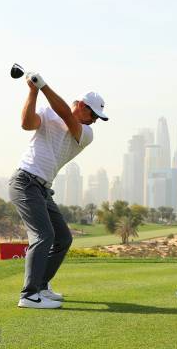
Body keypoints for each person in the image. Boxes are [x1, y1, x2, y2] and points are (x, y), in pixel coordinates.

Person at [9, 71, 108, 309]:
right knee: (44, 236)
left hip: (43, 189)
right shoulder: (48, 113)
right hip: (25, 182)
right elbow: (26, 123)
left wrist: (43, 86)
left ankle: (41, 285)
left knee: (62, 238)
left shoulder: (86, 133)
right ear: (82, 106)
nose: (94, 120)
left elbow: (66, 115)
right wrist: (33, 92)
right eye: (93, 114)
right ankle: (29, 295)